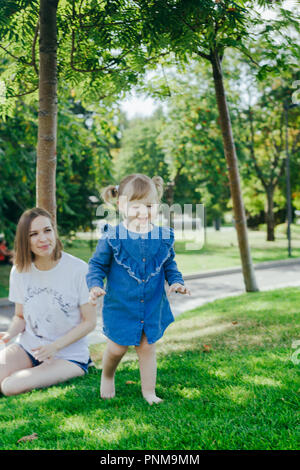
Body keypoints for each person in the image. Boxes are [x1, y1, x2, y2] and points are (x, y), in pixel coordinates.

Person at [86, 173, 191, 404]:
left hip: (152, 306)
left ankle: (149, 392)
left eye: (149, 206)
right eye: (136, 206)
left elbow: (169, 264)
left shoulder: (162, 236)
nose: (143, 212)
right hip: (121, 306)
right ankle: (107, 375)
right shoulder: (112, 236)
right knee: (117, 348)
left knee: (147, 348)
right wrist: (94, 285)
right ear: (121, 204)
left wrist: (176, 282)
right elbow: (97, 265)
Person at [0, 207, 97, 396]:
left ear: (54, 231)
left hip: (67, 356)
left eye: (47, 230)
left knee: (9, 386)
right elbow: (20, 316)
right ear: (24, 240)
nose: (43, 239)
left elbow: (89, 322)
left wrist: (55, 346)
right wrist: (8, 335)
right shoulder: (20, 270)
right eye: (33, 234)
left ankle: (80, 367)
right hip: (28, 347)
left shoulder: (78, 270)